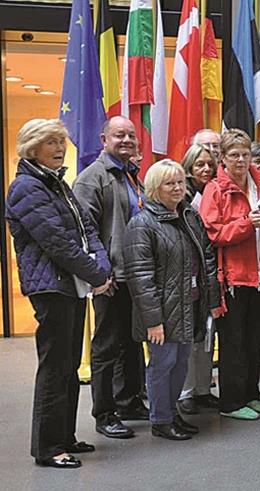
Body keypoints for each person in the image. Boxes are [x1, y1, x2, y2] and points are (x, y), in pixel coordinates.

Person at [7, 119, 112, 468]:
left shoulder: (56, 184)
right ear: (32, 147)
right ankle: (49, 448)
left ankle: (65, 437)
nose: (59, 148)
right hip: (51, 287)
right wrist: (97, 273)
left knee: (68, 367)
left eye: (61, 141)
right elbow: (58, 244)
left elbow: (87, 229)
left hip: (71, 285)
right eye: (51, 142)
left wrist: (102, 267)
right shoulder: (26, 187)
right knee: (55, 368)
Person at [125, 159, 221, 441]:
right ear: (155, 188)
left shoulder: (189, 215)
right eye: (170, 183)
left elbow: (207, 259)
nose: (178, 187)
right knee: (162, 364)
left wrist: (211, 300)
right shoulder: (142, 224)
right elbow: (140, 278)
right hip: (162, 312)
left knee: (181, 363)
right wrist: (153, 321)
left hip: (189, 304)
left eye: (180, 181)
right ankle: (161, 419)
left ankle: (172, 412)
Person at [73, 116, 148, 439]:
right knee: (106, 347)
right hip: (110, 277)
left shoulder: (133, 176)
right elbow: (83, 232)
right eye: (120, 135)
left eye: (131, 135)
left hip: (135, 275)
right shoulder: (92, 178)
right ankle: (104, 413)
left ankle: (129, 400)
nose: (127, 140)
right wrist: (99, 274)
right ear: (104, 139)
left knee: (131, 342)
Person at [200, 129, 260, 420]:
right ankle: (231, 402)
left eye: (245, 154)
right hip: (232, 277)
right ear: (223, 158)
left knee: (255, 339)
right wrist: (248, 223)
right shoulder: (215, 189)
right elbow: (214, 232)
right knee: (233, 342)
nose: (241, 160)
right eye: (234, 155)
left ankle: (251, 393)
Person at [176, 143, 220, 415]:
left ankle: (204, 389)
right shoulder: (183, 198)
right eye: (199, 165)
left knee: (207, 336)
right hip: (188, 278)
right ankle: (186, 392)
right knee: (189, 339)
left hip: (209, 275)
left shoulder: (214, 191)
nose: (205, 169)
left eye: (209, 164)